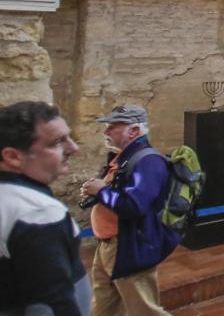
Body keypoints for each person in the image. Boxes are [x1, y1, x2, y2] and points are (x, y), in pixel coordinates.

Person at [0, 101, 89, 316]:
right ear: (13, 157)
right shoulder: (35, 211)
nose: (73, 148)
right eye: (57, 142)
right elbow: (53, 303)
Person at [80, 104, 176, 316]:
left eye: (112, 126)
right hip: (109, 245)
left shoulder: (149, 161)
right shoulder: (123, 157)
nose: (106, 131)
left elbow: (134, 205)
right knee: (105, 307)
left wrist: (102, 191)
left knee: (144, 310)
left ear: (133, 130)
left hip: (129, 246)